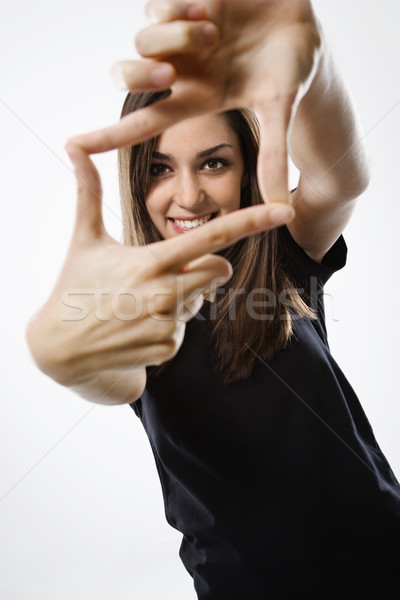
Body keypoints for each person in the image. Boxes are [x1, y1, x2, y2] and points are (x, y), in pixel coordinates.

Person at [26, 0, 400, 598]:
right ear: (133, 177)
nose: (189, 194)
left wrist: (315, 61)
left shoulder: (279, 254)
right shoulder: (134, 311)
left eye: (214, 162)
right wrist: (61, 354)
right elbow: (113, 375)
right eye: (160, 168)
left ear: (249, 168)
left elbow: (341, 180)